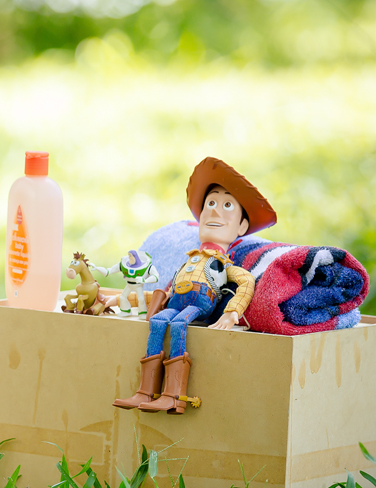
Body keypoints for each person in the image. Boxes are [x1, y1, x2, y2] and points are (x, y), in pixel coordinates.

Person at [113, 157, 277, 415]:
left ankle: (174, 394)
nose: (214, 211)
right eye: (210, 203)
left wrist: (231, 312)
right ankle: (145, 391)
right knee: (158, 322)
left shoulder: (222, 264)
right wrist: (121, 300)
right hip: (176, 301)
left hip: (199, 305)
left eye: (226, 206)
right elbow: (165, 294)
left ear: (242, 226)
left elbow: (246, 280)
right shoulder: (187, 261)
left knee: (179, 325)